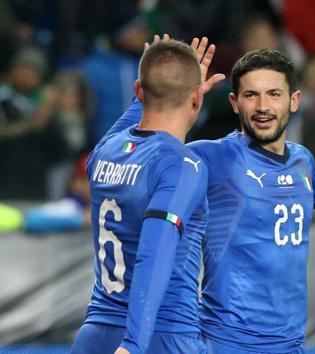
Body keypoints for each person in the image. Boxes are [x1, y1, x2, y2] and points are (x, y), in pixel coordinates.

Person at [123, 47, 315, 353]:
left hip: (290, 343)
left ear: (294, 100)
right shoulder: (213, 157)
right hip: (227, 342)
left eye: (274, 94)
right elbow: (145, 155)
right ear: (234, 102)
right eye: (251, 95)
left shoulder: (302, 160)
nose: (262, 106)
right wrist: (162, 98)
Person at [70, 36, 224, 354]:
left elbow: (135, 117)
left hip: (94, 336)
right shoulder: (182, 165)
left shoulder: (105, 151)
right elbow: (155, 251)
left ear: (138, 91)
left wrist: (160, 77)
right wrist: (134, 345)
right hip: (158, 337)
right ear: (198, 97)